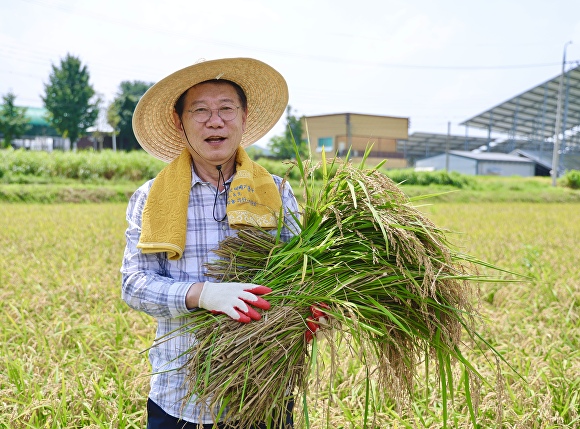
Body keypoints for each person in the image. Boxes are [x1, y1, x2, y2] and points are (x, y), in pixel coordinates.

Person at [120, 57, 317, 428]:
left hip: (264, 388)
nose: (215, 121)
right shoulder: (151, 198)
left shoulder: (276, 192)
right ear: (180, 123)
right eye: (201, 111)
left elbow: (301, 275)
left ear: (243, 118)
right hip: (180, 394)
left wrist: (312, 306)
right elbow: (133, 284)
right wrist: (202, 295)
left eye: (227, 109)